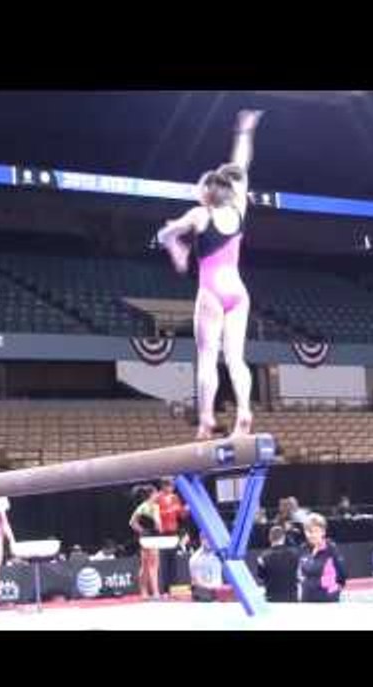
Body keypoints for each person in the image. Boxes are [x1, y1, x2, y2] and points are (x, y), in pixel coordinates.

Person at [155, 109, 264, 439]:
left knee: (206, 358)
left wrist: (176, 250)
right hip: (238, 292)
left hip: (212, 292)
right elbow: (241, 165)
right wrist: (244, 132)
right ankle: (244, 411)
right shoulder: (238, 207)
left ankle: (205, 420)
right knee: (236, 359)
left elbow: (164, 234)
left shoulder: (199, 214)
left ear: (205, 193)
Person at [298, 514, 348, 603]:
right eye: (309, 531)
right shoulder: (303, 549)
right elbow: (300, 574)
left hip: (327, 599)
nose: (312, 535)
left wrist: (334, 591)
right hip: (307, 599)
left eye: (316, 531)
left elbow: (342, 574)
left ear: (323, 532)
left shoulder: (331, 549)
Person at [129, 483, 162, 600]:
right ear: (152, 494)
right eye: (156, 493)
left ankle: (144, 593)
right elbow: (157, 522)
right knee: (154, 565)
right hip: (152, 537)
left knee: (145, 566)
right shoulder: (154, 506)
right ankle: (156, 593)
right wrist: (159, 528)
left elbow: (132, 523)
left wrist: (142, 531)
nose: (158, 495)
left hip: (144, 537)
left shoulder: (141, 506)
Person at [156, 478, 189, 595]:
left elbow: (182, 515)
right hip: (162, 533)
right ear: (164, 486)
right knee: (163, 561)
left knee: (173, 560)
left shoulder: (175, 498)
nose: (172, 488)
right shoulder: (157, 498)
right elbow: (154, 514)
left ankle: (173, 588)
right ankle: (164, 589)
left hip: (173, 531)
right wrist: (170, 510)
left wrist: (186, 509)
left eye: (173, 486)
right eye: (170, 486)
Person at [256, 525, 300, 603]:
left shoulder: (263, 557)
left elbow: (260, 576)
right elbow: (299, 574)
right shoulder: (294, 555)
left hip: (272, 597)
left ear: (269, 538)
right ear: (283, 538)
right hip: (291, 598)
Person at [189, 535, 224, 602]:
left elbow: (218, 582)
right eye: (207, 538)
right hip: (204, 596)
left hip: (218, 594)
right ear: (201, 539)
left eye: (211, 539)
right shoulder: (195, 558)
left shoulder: (219, 555)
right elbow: (196, 582)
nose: (210, 541)